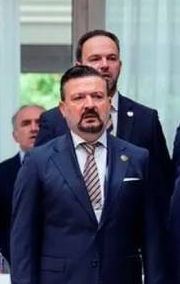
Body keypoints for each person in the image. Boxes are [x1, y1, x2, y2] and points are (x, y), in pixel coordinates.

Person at [11, 65, 169, 284]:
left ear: (109, 102)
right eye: (78, 98)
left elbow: (153, 239)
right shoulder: (39, 161)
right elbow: (22, 241)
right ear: (63, 108)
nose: (89, 105)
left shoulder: (137, 158)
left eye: (97, 96)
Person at [35, 30, 171, 189]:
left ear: (120, 65)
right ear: (79, 66)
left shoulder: (146, 119)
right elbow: (38, 181)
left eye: (112, 58)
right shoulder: (54, 120)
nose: (105, 65)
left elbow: (161, 186)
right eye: (95, 59)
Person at [0, 104, 44, 259]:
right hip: (13, 261)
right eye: (26, 123)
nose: (34, 128)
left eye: (39, 123)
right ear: (15, 135)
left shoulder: (70, 167)